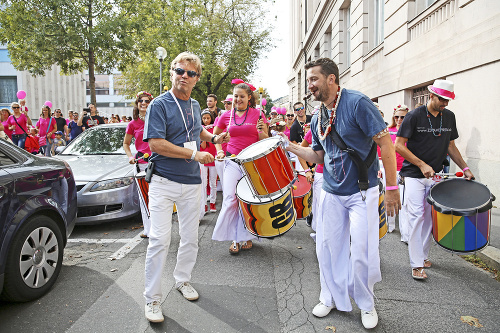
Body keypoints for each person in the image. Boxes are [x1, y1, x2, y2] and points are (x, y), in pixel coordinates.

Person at [282, 58, 400, 329]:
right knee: (327, 248)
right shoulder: (318, 116)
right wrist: (290, 147)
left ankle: (366, 304)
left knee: (362, 251)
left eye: (314, 79)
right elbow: (318, 155)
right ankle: (331, 297)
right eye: (308, 80)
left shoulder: (357, 103)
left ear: (331, 79)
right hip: (331, 192)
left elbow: (386, 144)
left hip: (362, 192)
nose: (309, 85)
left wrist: (392, 188)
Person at [142, 52, 228, 323]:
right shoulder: (159, 104)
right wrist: (194, 155)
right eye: (180, 71)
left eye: (190, 73)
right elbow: (155, 143)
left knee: (190, 238)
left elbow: (196, 131)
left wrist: (213, 136)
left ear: (197, 78)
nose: (184, 77)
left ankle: (182, 280)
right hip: (164, 182)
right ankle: (152, 299)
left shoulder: (194, 104)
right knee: (159, 240)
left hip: (192, 183)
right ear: (171, 73)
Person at [395, 79, 473, 280]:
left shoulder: (449, 117)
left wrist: (464, 168)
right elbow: (399, 145)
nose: (445, 103)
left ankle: (423, 255)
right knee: (416, 216)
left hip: (435, 176)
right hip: (413, 175)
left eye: (448, 100)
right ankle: (416, 264)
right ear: (431, 95)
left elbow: (451, 146)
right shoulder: (413, 116)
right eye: (442, 99)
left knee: (430, 219)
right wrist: (421, 164)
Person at [212, 81, 269, 254]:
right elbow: (215, 136)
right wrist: (220, 150)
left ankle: (243, 237)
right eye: (235, 96)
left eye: (242, 96)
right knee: (230, 199)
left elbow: (264, 139)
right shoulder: (225, 115)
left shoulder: (258, 114)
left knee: (247, 201)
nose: (238, 99)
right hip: (232, 161)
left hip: (252, 163)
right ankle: (232, 237)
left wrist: (261, 130)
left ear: (249, 98)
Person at [123, 91, 154, 239]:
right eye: (141, 101)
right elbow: (126, 143)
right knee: (144, 198)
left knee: (157, 197)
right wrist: (130, 156)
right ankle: (147, 229)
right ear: (137, 104)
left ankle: (158, 229)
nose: (143, 103)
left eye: (147, 101)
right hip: (141, 164)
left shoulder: (157, 120)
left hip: (157, 163)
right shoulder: (133, 124)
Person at [386, 104, 409, 240]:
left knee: (404, 201)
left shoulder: (410, 131)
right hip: (391, 169)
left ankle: (405, 233)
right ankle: (390, 225)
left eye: (402, 117)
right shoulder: (389, 131)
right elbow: (380, 150)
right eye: (397, 117)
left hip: (406, 169)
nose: (399, 119)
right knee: (390, 197)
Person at [199, 110, 218, 215]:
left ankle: (213, 202)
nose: (206, 120)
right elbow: (203, 146)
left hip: (213, 158)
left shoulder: (214, 128)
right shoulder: (200, 129)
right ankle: (204, 204)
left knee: (213, 182)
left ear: (211, 118)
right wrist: (203, 137)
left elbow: (216, 143)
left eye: (208, 118)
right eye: (204, 118)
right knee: (203, 183)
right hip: (203, 158)